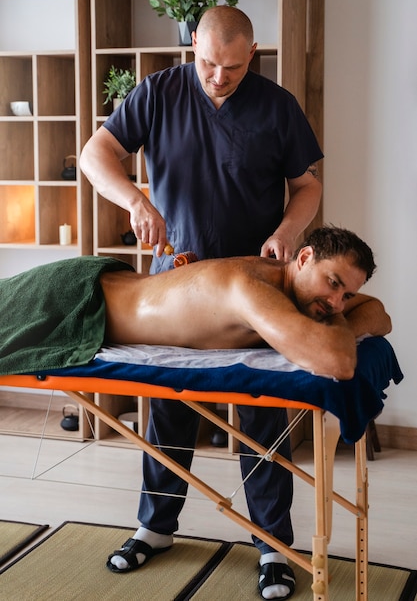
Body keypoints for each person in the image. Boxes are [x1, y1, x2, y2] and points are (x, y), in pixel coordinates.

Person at [80, 5, 326, 601]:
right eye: (210, 63)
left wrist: (291, 230)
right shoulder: (159, 91)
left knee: (261, 412)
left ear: (254, 54)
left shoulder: (276, 105)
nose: (219, 77)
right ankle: (155, 528)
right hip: (177, 283)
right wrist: (135, 201)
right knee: (169, 406)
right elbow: (95, 156)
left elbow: (307, 186)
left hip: (256, 287)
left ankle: (274, 547)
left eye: (234, 68)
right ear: (194, 45)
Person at [0, 227, 392, 601]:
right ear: (304, 258)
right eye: (334, 284)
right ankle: (155, 529)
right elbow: (337, 360)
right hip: (75, 300)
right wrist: (336, 321)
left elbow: (379, 314)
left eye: (347, 295)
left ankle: (271, 548)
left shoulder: (299, 287)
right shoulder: (253, 288)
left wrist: (331, 311)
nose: (337, 301)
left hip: (102, 293)